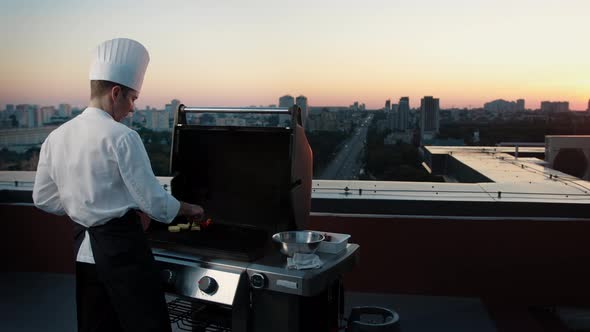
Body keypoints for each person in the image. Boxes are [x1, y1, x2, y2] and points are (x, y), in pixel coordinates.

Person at [32, 38, 203, 332]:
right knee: (146, 323)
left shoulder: (56, 136)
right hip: (123, 250)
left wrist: (82, 206)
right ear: (116, 93)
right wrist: (190, 208)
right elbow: (154, 203)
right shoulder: (122, 136)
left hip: (84, 250)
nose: (134, 108)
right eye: (133, 98)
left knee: (96, 324)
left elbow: (42, 198)